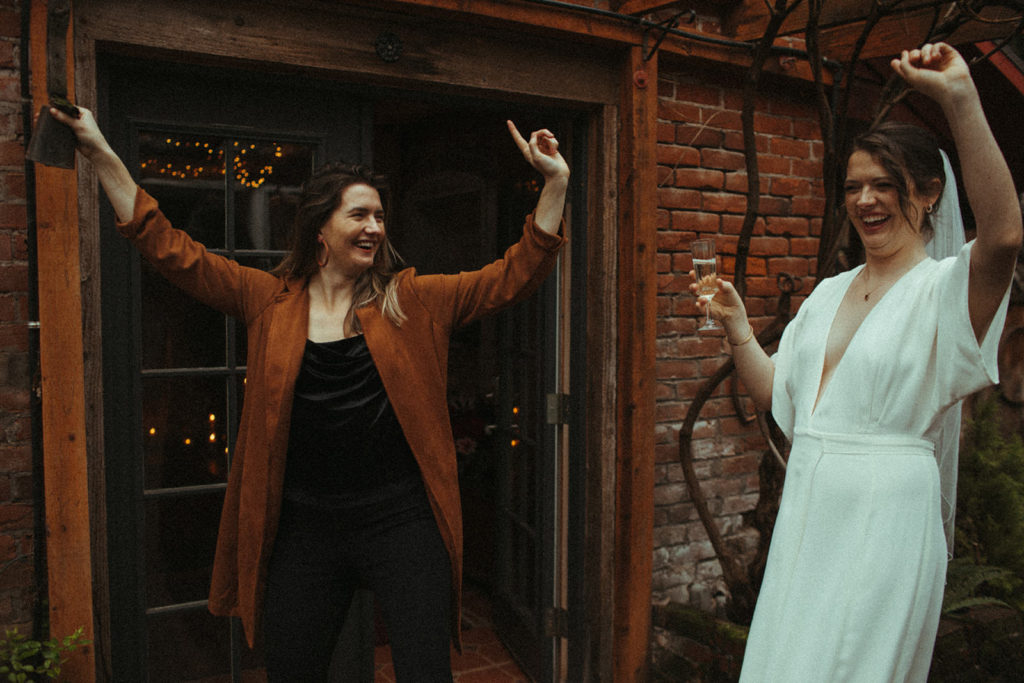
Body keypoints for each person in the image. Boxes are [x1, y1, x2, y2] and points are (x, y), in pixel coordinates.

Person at [49, 106, 569, 681]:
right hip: (306, 525)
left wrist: (556, 183)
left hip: (401, 519)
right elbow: (169, 248)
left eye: (379, 215)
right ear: (321, 227)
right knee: (292, 669)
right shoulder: (267, 300)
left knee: (426, 672)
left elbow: (515, 273)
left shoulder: (415, 299)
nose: (375, 226)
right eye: (359, 214)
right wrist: (98, 151)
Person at [690, 43, 1021, 681]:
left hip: (886, 520)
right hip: (808, 512)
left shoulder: (945, 292)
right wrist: (736, 330)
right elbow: (777, 397)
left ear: (927, 195)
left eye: (884, 185)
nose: (865, 200)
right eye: (853, 187)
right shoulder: (827, 293)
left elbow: (1004, 235)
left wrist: (960, 99)